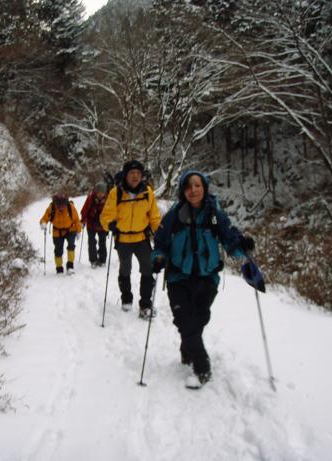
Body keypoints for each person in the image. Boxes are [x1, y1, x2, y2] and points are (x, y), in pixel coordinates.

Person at [150, 171, 255, 387]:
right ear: (183, 191)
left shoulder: (214, 214)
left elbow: (229, 237)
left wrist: (241, 248)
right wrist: (159, 257)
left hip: (207, 278)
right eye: (188, 187)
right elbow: (160, 240)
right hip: (178, 277)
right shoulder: (175, 214)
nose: (193, 190)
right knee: (184, 320)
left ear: (204, 187)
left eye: (197, 185)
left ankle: (187, 347)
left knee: (199, 318)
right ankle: (202, 366)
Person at [100, 160, 161, 318]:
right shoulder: (116, 192)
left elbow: (154, 216)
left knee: (148, 268)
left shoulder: (147, 192)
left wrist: (160, 234)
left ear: (142, 176)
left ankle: (145, 304)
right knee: (125, 269)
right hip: (124, 239)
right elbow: (106, 216)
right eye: (132, 173)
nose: (135, 176)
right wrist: (110, 224)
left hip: (142, 238)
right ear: (126, 175)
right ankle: (126, 297)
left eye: (138, 174)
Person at [40, 192, 82, 274]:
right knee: (58, 250)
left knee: (71, 246)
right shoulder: (52, 208)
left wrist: (78, 231)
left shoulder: (70, 207)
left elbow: (76, 220)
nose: (62, 207)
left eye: (63, 205)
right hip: (57, 231)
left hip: (70, 229)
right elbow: (44, 218)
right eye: (60, 205)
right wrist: (43, 223)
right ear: (56, 203)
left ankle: (70, 266)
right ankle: (59, 268)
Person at [80, 182, 109, 268]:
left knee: (102, 242)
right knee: (92, 242)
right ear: (96, 192)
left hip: (102, 224)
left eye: (102, 192)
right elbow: (84, 210)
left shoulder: (108, 199)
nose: (100, 194)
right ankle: (93, 260)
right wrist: (82, 221)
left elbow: (110, 211)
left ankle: (102, 260)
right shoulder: (90, 198)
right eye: (99, 192)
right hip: (91, 224)